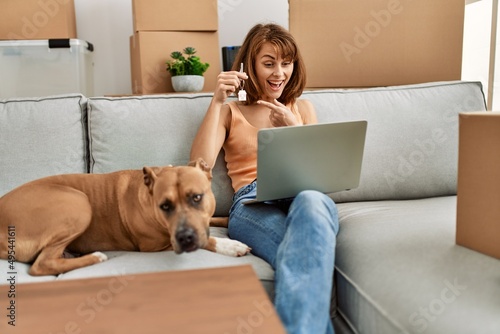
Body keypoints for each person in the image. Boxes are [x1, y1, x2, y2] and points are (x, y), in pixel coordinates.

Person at [190, 23, 339, 334]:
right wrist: (217, 100)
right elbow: (198, 165)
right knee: (304, 254)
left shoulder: (303, 108)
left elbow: (320, 176)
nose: (279, 73)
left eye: (286, 63)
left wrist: (294, 129)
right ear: (250, 66)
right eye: (269, 63)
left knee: (313, 201)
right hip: (252, 202)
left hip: (303, 195)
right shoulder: (232, 112)